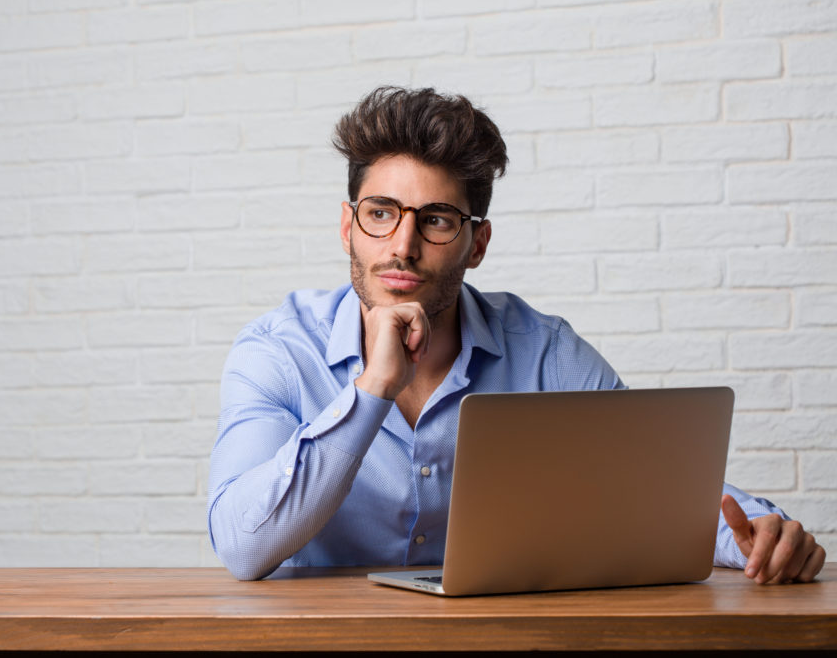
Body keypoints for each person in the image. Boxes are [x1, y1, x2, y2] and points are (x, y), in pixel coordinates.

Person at [207, 86, 827, 583]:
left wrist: (761, 533)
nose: (402, 246)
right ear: (348, 227)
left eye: (438, 221)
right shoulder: (277, 352)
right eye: (380, 214)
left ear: (477, 244)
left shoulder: (545, 353)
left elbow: (657, 483)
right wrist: (372, 389)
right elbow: (241, 544)